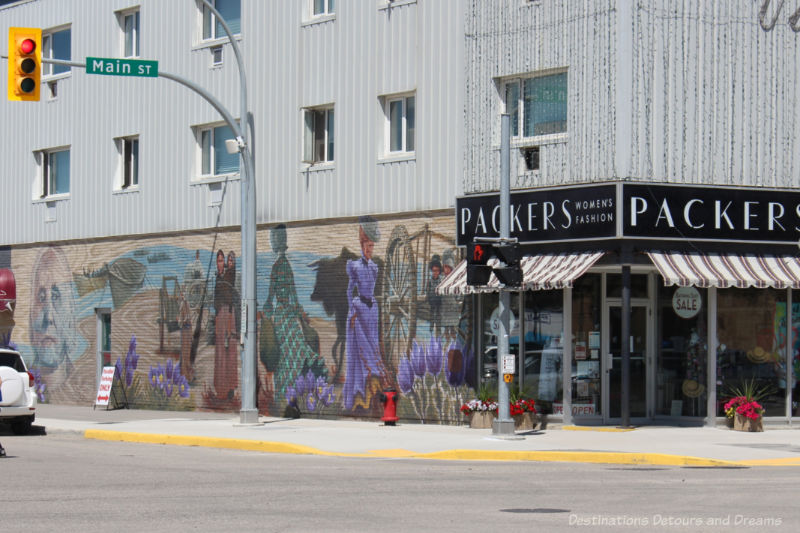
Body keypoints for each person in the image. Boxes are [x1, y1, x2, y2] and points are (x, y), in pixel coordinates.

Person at [263, 224, 327, 401]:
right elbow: (294, 297)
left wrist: (265, 314)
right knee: (294, 354)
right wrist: (301, 314)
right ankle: (294, 392)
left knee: (284, 359)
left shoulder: (277, 267)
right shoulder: (287, 266)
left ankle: (283, 394)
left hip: (281, 318)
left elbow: (270, 297)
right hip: (289, 316)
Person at [343, 216, 387, 411]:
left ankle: (373, 392)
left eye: (371, 246)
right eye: (366, 246)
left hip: (372, 309)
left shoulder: (374, 268)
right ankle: (358, 392)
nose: (369, 250)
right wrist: (352, 309)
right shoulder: (355, 266)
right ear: (361, 246)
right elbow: (349, 290)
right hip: (359, 310)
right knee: (360, 351)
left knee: (373, 344)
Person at [29, 247, 79, 378]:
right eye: (41, 297)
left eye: (56, 296)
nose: (49, 317)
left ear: (71, 312)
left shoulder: (81, 383)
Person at [213, 249, 237, 400]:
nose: (222, 263)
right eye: (220, 260)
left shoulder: (228, 276)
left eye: (225, 261)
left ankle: (229, 387)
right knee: (220, 351)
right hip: (220, 315)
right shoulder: (219, 277)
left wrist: (228, 321)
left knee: (229, 350)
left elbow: (228, 297)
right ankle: (221, 387)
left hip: (227, 314)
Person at [427, 254, 443, 336]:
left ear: (439, 271)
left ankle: (438, 329)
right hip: (432, 300)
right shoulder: (430, 281)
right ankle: (431, 326)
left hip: (439, 301)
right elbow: (428, 290)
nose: (435, 273)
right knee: (432, 313)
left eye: (437, 271)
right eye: (434, 271)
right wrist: (428, 298)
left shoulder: (441, 280)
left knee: (438, 315)